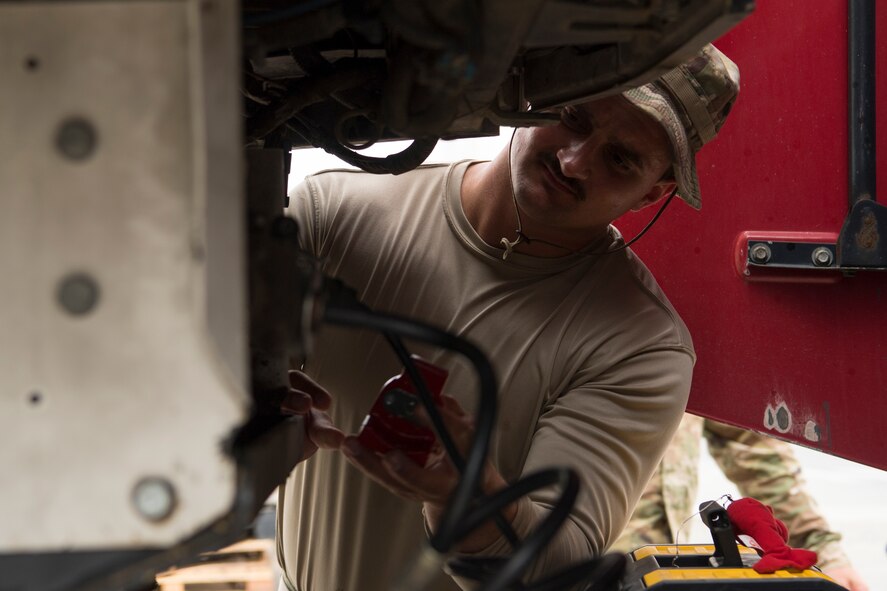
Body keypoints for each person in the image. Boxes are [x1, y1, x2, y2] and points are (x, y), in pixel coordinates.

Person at [276, 44, 741, 591]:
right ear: (531, 100)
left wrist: (466, 495)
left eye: (620, 159)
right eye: (572, 117)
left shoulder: (640, 344)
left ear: (653, 192)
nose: (573, 161)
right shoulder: (335, 215)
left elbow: (560, 562)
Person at [611, 414, 870, 591]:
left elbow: (755, 452)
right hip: (580, 559)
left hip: (656, 570)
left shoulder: (702, 342)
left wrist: (824, 552)